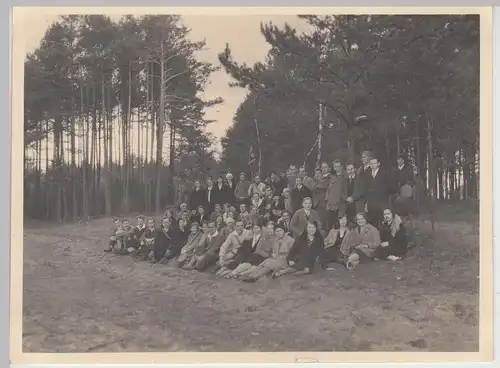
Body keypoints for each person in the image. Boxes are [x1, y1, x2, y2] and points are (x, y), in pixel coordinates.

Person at [364, 157, 392, 228]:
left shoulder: (385, 173)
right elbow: (365, 189)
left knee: (383, 221)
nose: (373, 165)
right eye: (371, 164)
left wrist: (383, 192)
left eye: (374, 163)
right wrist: (366, 202)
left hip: (381, 201)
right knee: (372, 222)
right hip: (371, 202)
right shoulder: (367, 174)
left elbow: (391, 187)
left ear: (378, 164)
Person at [326, 159, 347, 231]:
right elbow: (328, 190)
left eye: (339, 166)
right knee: (330, 226)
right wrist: (328, 200)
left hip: (339, 206)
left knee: (338, 226)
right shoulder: (333, 178)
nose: (337, 168)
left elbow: (345, 192)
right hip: (331, 206)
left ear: (342, 167)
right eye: (335, 167)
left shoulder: (345, 177)